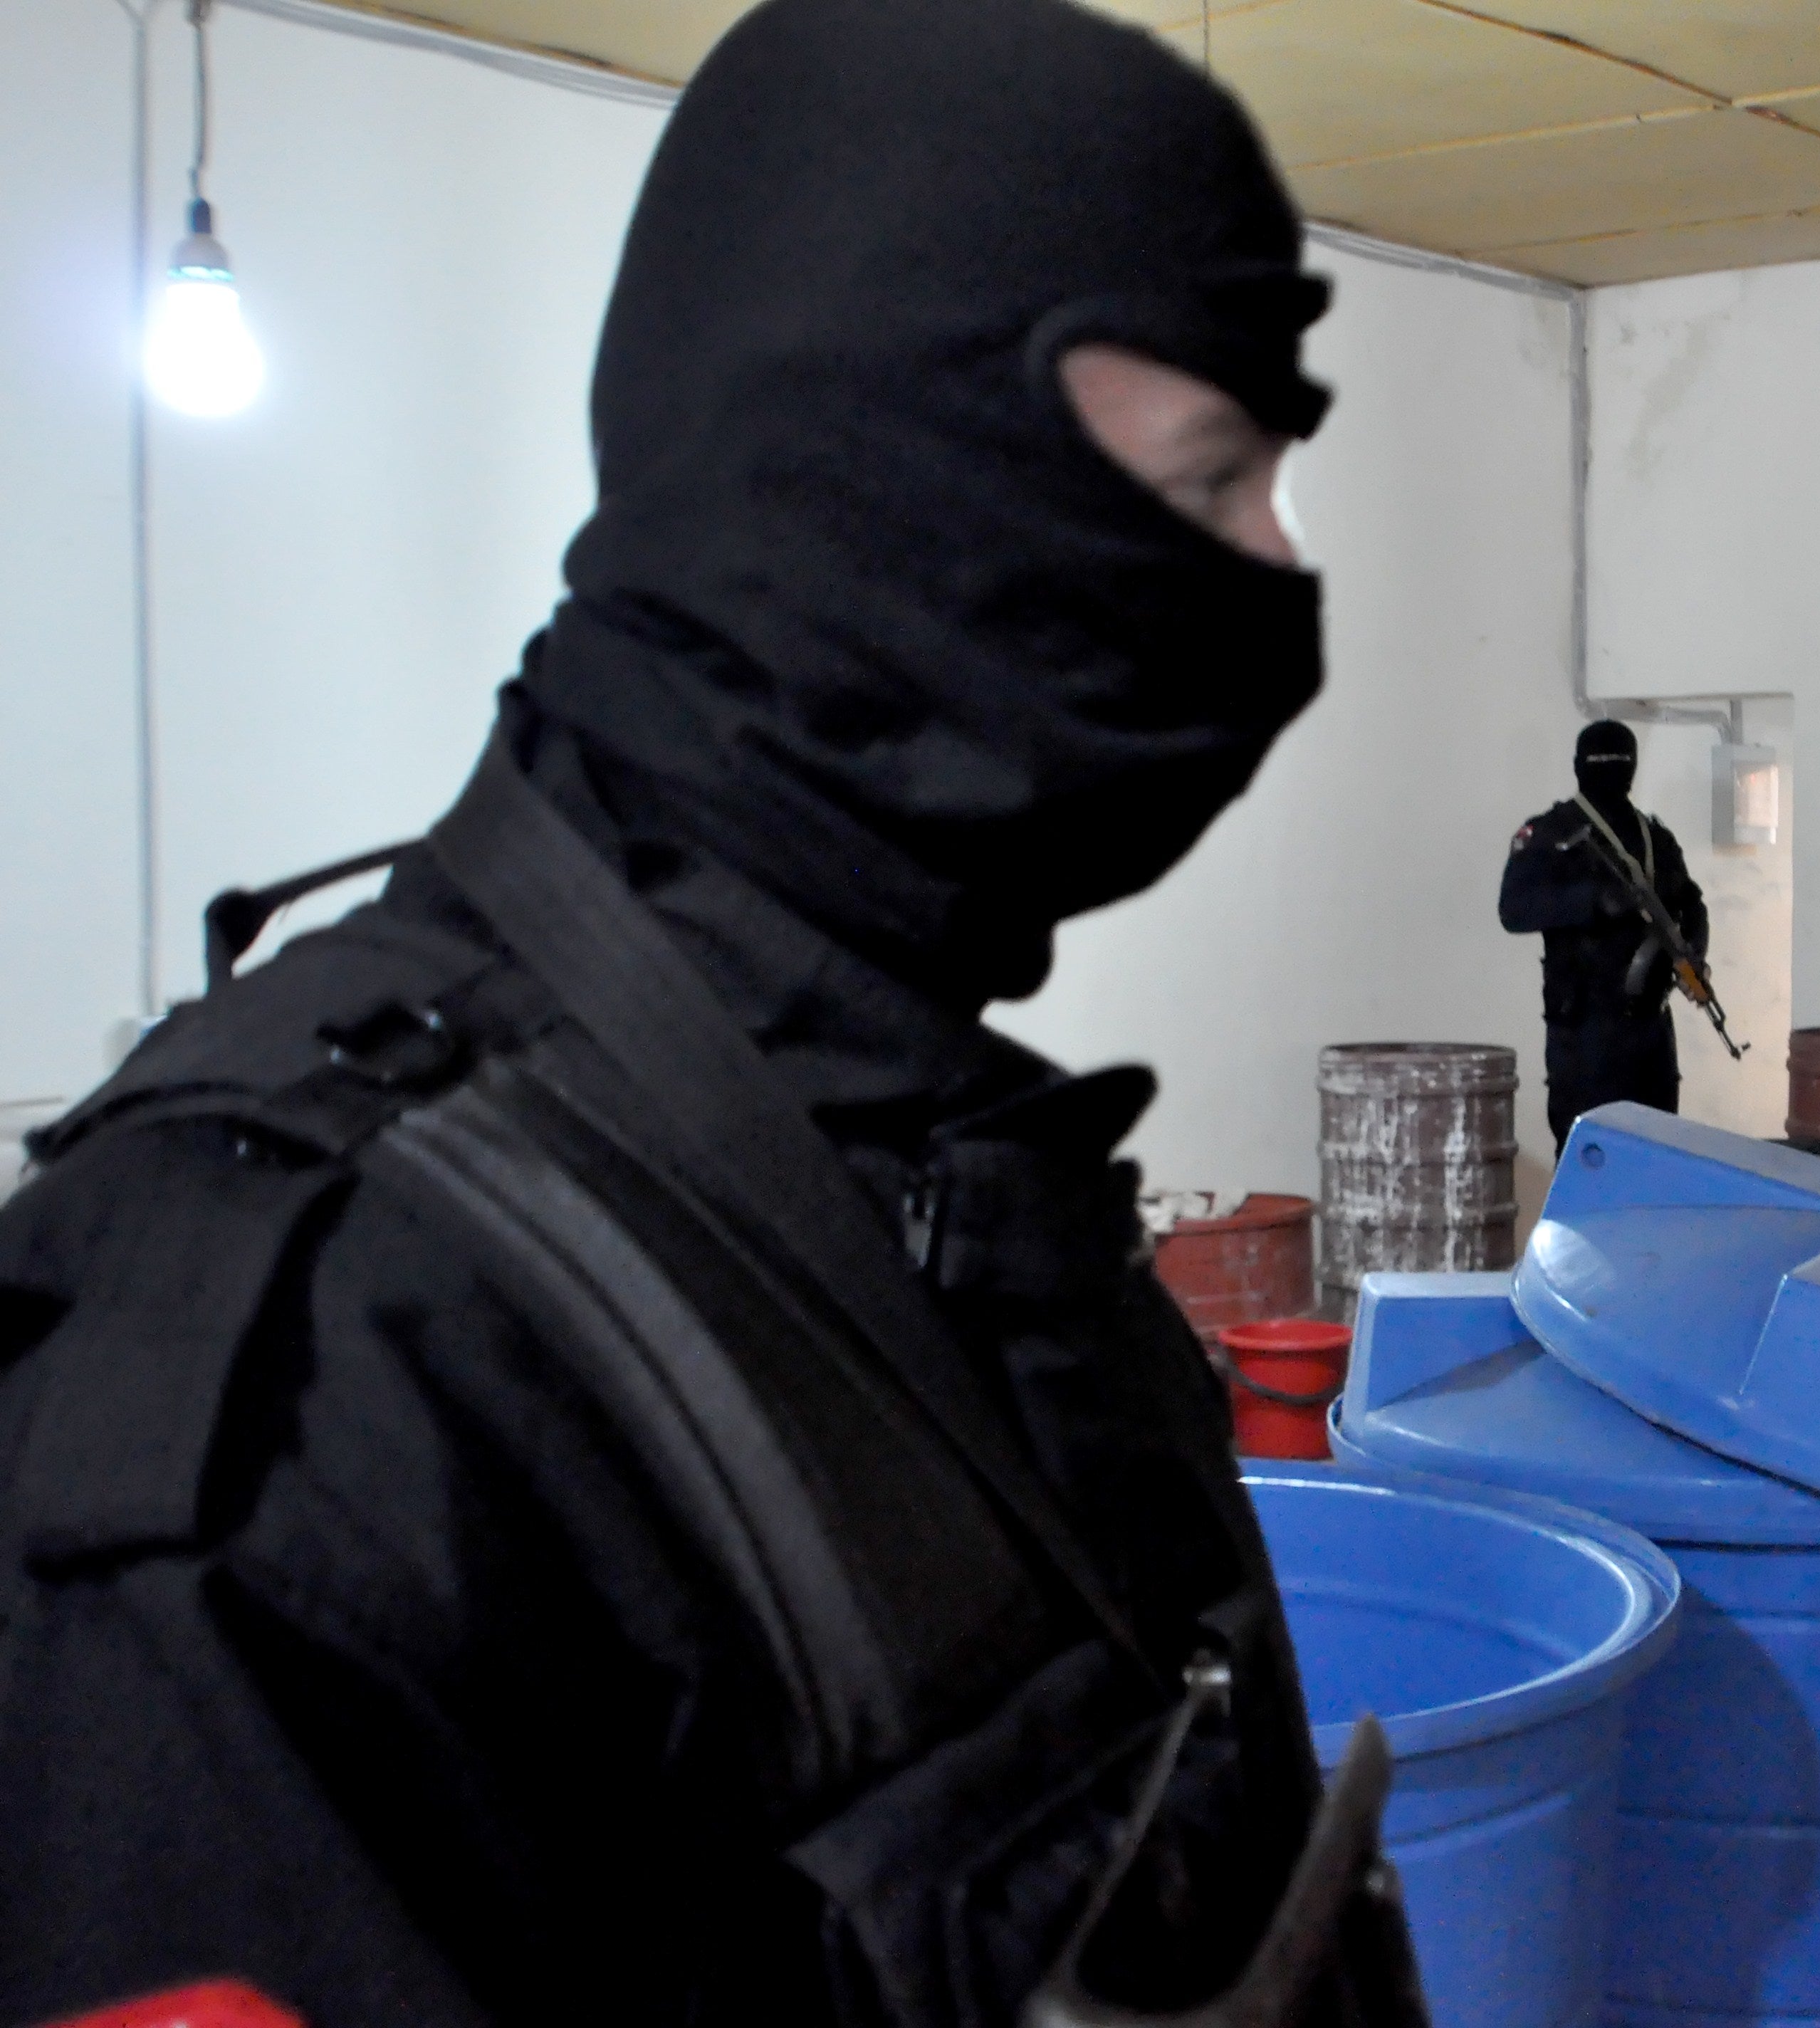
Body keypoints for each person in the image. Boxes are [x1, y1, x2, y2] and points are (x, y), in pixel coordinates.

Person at [0, 4, 1419, 2024]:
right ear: (888, 475)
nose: (1276, 578)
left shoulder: (935, 1151)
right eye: (1205, 486)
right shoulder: (290, 1401)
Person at [1498, 721, 1709, 1150]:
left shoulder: (1655, 838)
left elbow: (1691, 905)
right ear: (1579, 767)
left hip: (1650, 1028)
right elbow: (1514, 909)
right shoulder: (1552, 833)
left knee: (1656, 1156)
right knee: (1589, 1158)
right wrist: (1594, 901)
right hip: (1584, 1031)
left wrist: (1694, 959)